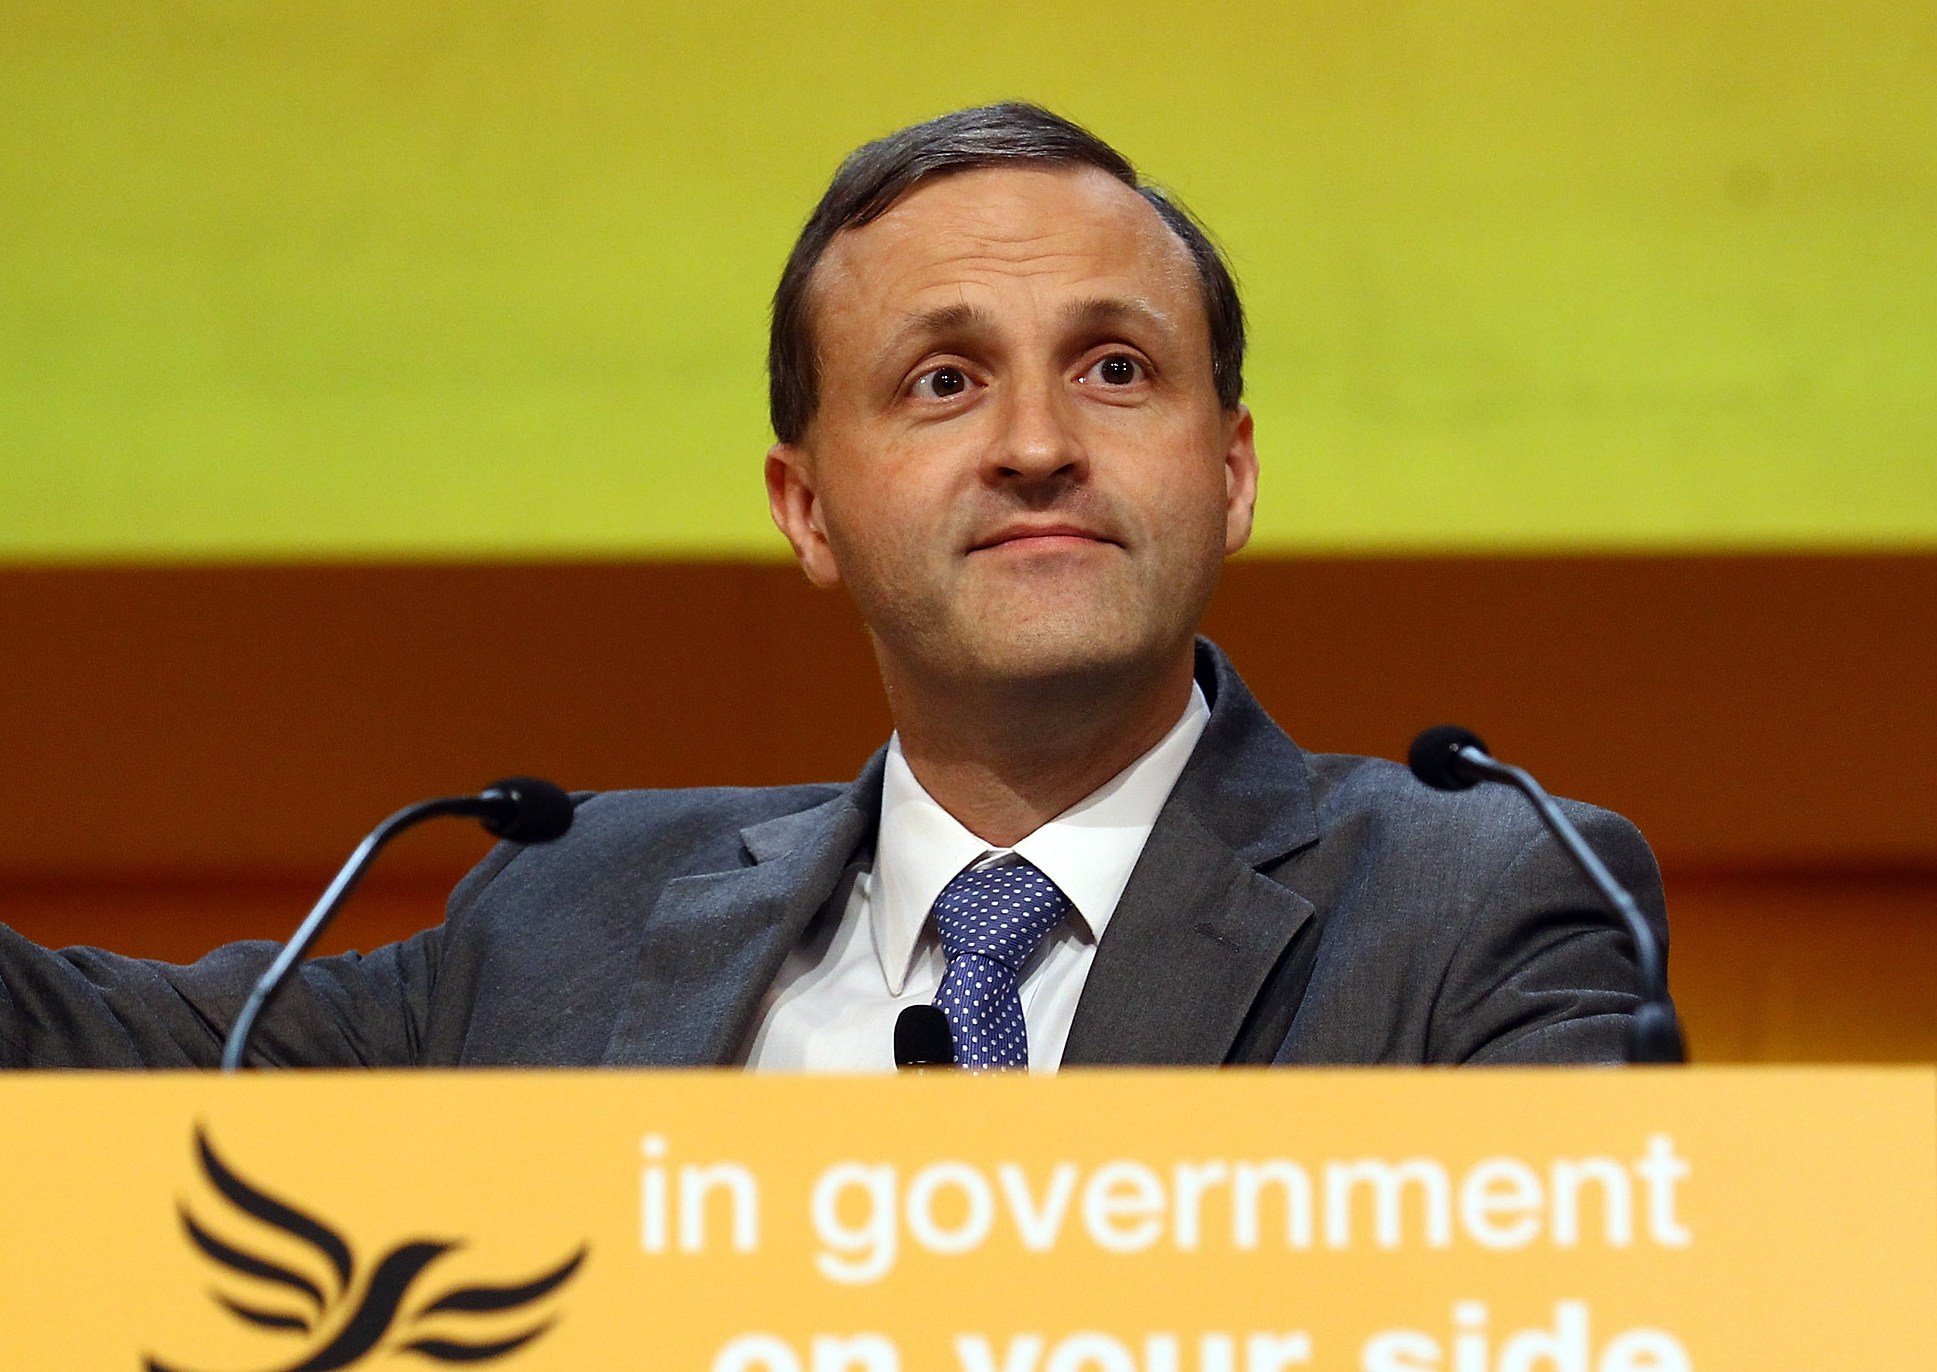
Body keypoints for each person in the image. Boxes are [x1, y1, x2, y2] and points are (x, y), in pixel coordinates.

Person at [0, 103, 1669, 1071]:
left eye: (1110, 369)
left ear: (1227, 471)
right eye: (940, 383)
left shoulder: (1483, 895)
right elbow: (86, 1064)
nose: (1032, 445)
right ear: (806, 510)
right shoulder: (565, 916)